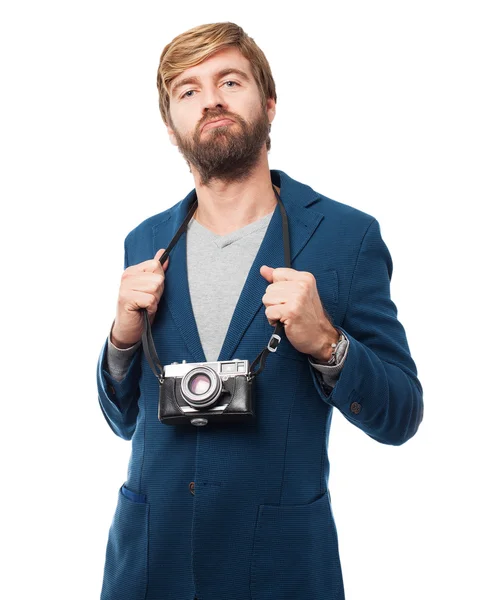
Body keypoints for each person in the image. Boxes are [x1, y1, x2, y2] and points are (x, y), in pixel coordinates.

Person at [96, 21, 424, 600]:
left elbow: (400, 414)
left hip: (279, 569)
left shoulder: (346, 237)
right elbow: (124, 422)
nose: (211, 99)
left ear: (269, 103)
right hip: (149, 566)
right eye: (188, 91)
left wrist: (327, 342)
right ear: (172, 126)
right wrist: (122, 337)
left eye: (230, 80)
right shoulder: (143, 241)